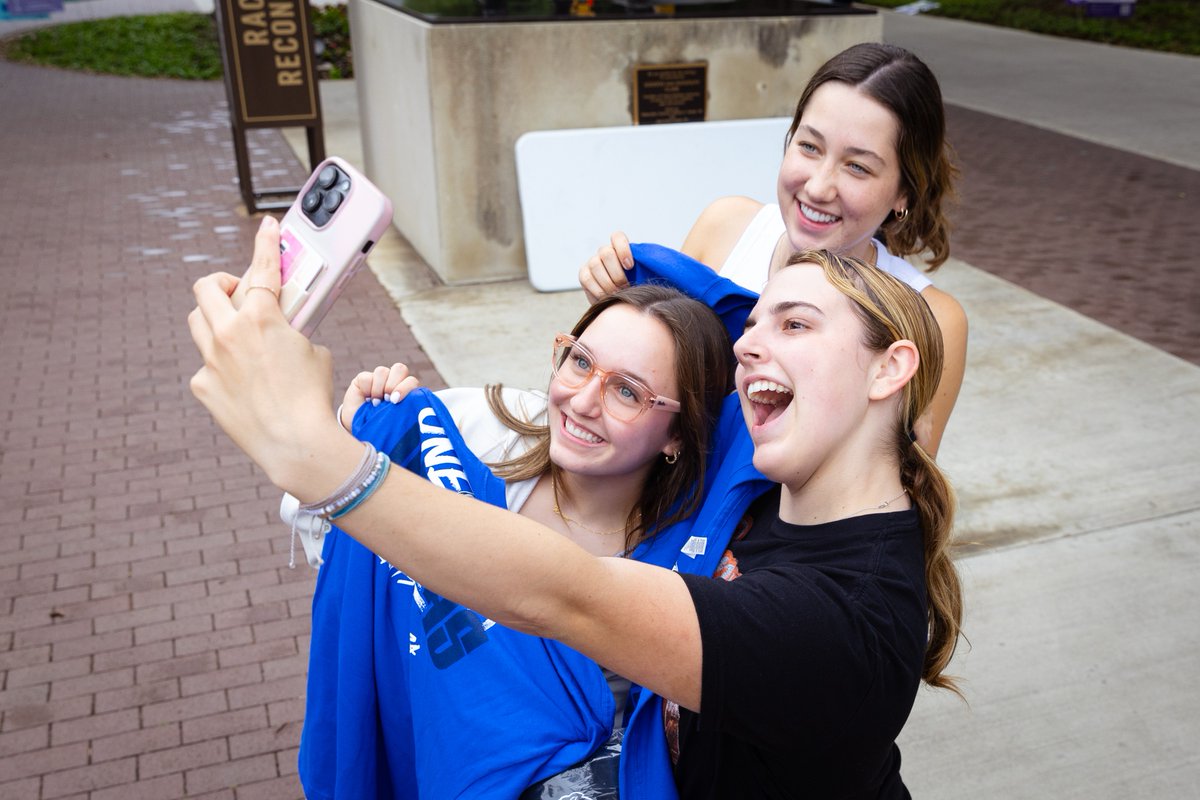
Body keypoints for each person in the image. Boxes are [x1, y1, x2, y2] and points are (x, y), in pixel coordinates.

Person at [189, 219, 963, 797]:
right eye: (751, 333)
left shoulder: (840, 622)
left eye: (793, 324)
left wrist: (315, 455)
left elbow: (568, 595)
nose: (753, 348)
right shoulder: (761, 497)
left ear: (890, 367)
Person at [285, 281, 739, 798]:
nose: (584, 401)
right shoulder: (475, 435)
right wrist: (353, 439)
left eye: (628, 392)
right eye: (581, 362)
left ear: (678, 435)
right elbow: (322, 522)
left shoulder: (672, 573)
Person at [579, 42, 968, 456]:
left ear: (904, 191)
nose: (818, 187)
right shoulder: (725, 227)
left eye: (857, 166)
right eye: (809, 147)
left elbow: (907, 490)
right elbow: (655, 385)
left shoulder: (932, 319)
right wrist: (616, 311)